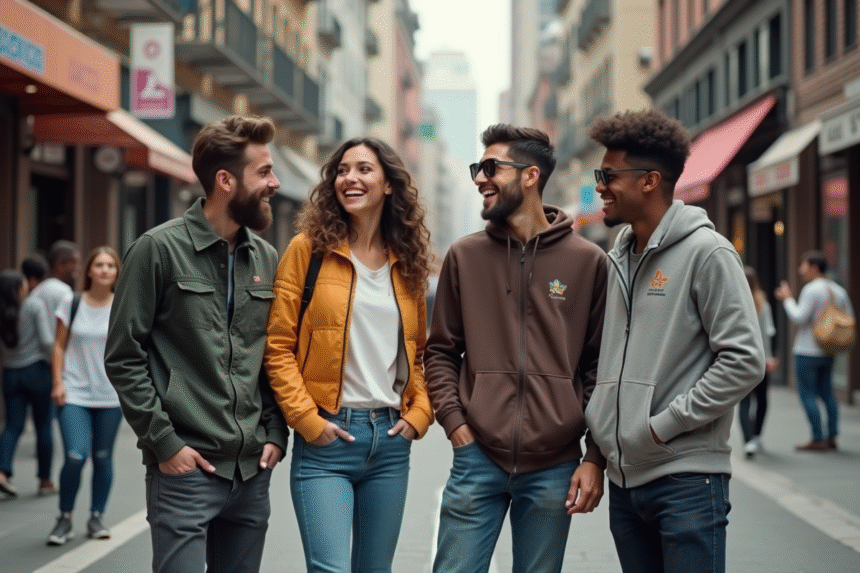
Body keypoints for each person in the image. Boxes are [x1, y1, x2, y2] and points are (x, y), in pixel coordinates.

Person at [104, 115, 289, 573]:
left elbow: (268, 356)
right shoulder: (156, 250)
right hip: (186, 469)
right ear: (225, 181)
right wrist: (164, 442)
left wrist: (274, 431)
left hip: (251, 474)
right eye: (263, 172)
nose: (275, 182)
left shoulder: (265, 257)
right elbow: (124, 356)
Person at [584, 109, 765, 573]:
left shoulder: (709, 253)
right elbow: (610, 360)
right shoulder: (618, 257)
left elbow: (744, 360)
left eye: (608, 175)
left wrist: (664, 424)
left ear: (649, 181)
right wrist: (599, 453)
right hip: (625, 485)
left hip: (686, 479)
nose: (600, 185)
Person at [424, 124, 607, 573]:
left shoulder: (588, 262)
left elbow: (601, 365)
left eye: (490, 167)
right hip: (476, 458)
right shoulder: (464, 257)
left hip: (554, 465)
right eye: (477, 168)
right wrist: (456, 427)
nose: (479, 178)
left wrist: (593, 454)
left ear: (529, 176)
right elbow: (441, 351)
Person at [264, 137, 434, 573]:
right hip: (327, 438)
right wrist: (306, 420)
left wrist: (419, 415)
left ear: (389, 184)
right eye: (342, 170)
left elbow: (418, 354)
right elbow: (278, 346)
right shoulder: (307, 250)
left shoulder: (408, 260)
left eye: (363, 169)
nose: (350, 179)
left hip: (390, 443)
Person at [46, 247, 123, 545]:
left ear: (117, 272)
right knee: (76, 455)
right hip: (74, 393)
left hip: (110, 396)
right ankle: (64, 517)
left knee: (103, 458)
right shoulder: (71, 302)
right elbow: (58, 346)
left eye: (110, 265)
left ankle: (96, 516)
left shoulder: (122, 305)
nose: (104, 270)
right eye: (99, 265)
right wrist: (57, 383)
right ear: (89, 271)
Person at [774, 250, 854, 451]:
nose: (801, 270)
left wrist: (787, 299)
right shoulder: (839, 290)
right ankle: (832, 436)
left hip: (807, 350)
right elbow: (849, 317)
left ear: (814, 268)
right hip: (828, 350)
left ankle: (818, 437)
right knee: (827, 392)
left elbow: (798, 317)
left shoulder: (812, 290)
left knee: (807, 394)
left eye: (804, 265)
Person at [0, 269, 56, 497]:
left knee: (12, 426)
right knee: (43, 425)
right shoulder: (34, 305)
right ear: (19, 287)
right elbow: (45, 340)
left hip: (10, 373)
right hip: (38, 372)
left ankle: (2, 472)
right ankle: (45, 482)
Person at [738, 266, 778, 458]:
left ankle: (748, 441)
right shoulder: (764, 304)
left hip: (740, 360)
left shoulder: (735, 301)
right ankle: (756, 435)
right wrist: (769, 356)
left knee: (744, 402)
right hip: (760, 359)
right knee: (762, 399)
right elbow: (768, 333)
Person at [29, 241, 81, 341]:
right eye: (74, 262)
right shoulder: (63, 291)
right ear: (59, 264)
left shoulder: (38, 290)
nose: (78, 268)